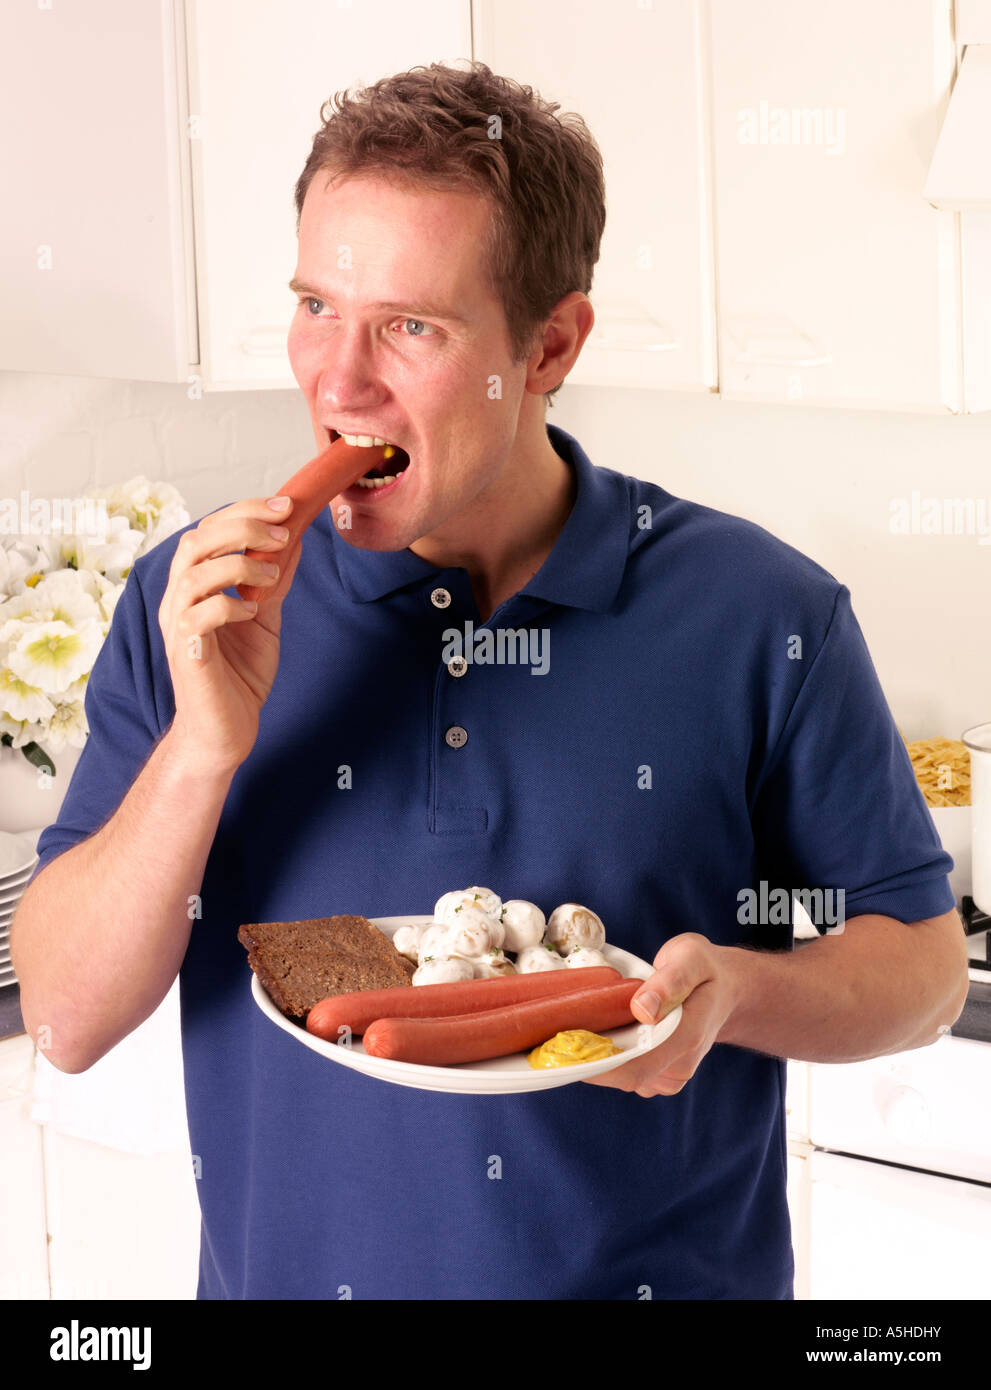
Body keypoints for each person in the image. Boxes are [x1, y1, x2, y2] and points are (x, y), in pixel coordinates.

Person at [12, 62, 968, 1300]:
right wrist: (203, 748)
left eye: (411, 325)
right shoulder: (186, 605)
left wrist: (732, 993)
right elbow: (66, 1022)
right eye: (315, 303)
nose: (337, 380)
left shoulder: (760, 615)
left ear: (551, 343)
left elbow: (923, 972)